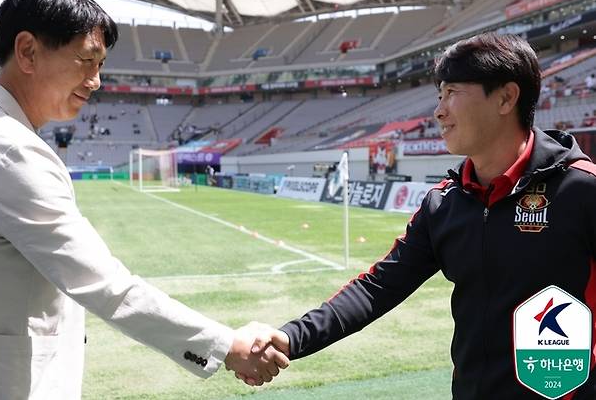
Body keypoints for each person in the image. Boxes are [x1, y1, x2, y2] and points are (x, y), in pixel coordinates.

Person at [0, 0, 286, 399]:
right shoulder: (10, 151)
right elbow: (106, 286)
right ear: (27, 51)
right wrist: (226, 346)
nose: (96, 81)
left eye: (100, 65)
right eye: (86, 61)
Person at [249, 33, 596, 398]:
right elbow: (377, 288)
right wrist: (289, 338)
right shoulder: (444, 204)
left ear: (506, 97)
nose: (439, 110)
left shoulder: (580, 190)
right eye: (438, 95)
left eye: (452, 93)